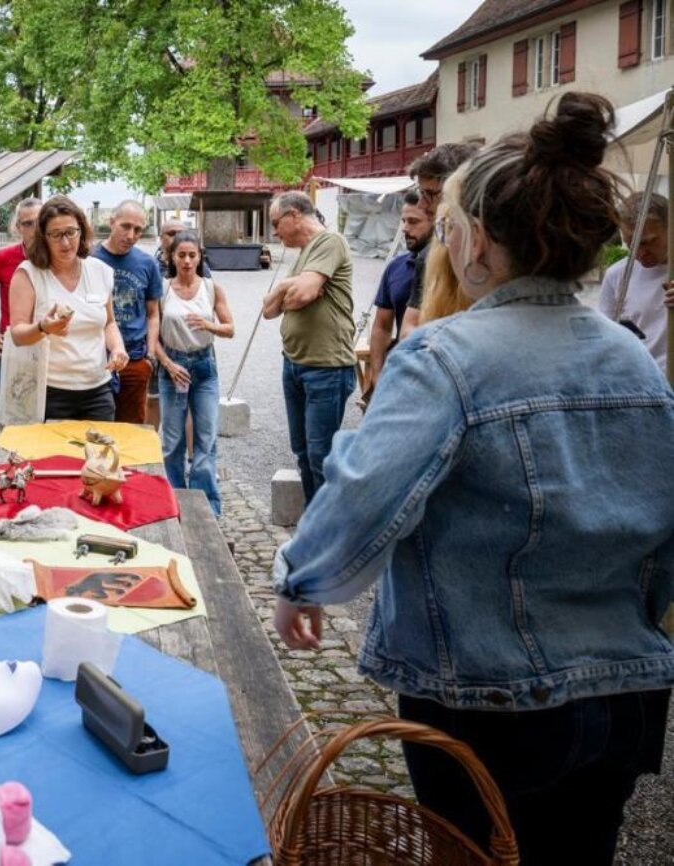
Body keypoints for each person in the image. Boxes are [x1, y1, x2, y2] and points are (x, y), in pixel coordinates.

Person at [272, 93, 674, 865]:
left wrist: (301, 580)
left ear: (479, 242)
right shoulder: (630, 354)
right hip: (624, 690)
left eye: (449, 227)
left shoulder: (446, 356)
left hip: (488, 696)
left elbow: (362, 491)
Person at [262, 191, 357, 504]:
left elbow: (301, 296)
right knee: (302, 451)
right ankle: (314, 522)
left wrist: (296, 288)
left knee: (321, 456)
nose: (274, 231)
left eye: (277, 223)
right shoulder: (304, 253)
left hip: (326, 367)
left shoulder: (330, 242)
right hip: (295, 363)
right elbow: (270, 309)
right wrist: (285, 286)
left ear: (294, 215)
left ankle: (329, 533)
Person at [7, 195, 129, 420]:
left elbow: (109, 322)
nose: (65, 243)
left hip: (98, 389)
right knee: (54, 456)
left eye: (71, 232)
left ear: (82, 230)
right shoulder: (29, 274)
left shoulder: (100, 271)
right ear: (43, 237)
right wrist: (43, 327)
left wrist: (118, 348)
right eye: (56, 235)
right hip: (50, 391)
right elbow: (17, 335)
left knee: (99, 453)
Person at [155, 231, 234, 516]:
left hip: (203, 368)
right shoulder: (162, 289)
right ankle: (174, 501)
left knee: (206, 436)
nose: (187, 261)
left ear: (200, 257)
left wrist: (208, 324)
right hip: (172, 367)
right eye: (181, 255)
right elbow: (152, 337)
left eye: (192, 255)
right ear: (171, 258)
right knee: (172, 441)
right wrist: (167, 364)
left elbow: (230, 328)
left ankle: (206, 506)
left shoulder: (211, 288)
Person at [398, 142, 479, 340]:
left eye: (430, 194)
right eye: (421, 193)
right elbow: (408, 330)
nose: (422, 204)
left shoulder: (498, 250)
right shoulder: (430, 254)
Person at [92, 201, 163, 423]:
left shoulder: (147, 263)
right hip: (97, 358)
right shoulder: (90, 260)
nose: (131, 235)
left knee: (131, 429)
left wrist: (150, 356)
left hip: (135, 359)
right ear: (112, 222)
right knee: (97, 428)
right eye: (125, 226)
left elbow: (153, 313)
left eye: (138, 230)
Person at [364, 192, 431, 402]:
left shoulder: (453, 269)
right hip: (402, 371)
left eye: (414, 222)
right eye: (403, 221)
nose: (405, 228)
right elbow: (382, 326)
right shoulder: (396, 266)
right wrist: (377, 373)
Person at [597, 192, 669, 370]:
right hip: (643, 381)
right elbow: (604, 337)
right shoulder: (618, 275)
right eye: (631, 245)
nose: (639, 253)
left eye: (647, 243)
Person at [0, 197, 42, 360]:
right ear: (18, 227)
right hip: (13, 349)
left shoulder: (59, 257)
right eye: (28, 223)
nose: (35, 228)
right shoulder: (4, 258)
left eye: (40, 221)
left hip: (52, 348)